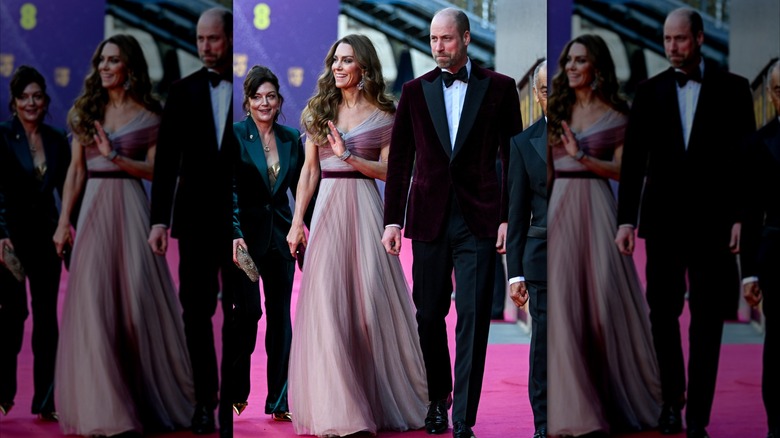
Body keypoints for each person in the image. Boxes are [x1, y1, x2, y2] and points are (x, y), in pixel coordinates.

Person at [382, 8, 522, 438]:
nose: (438, 47)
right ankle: (437, 399)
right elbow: (401, 159)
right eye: (432, 40)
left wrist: (507, 219)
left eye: (446, 39)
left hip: (479, 218)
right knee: (428, 316)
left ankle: (463, 415)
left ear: (465, 38)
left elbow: (512, 160)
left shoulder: (500, 88)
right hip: (427, 218)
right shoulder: (413, 90)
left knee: (474, 317)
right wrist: (392, 221)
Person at [615, 8, 756, 438]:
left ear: (698, 38)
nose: (672, 47)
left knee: (708, 321)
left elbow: (745, 164)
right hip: (662, 224)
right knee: (663, 314)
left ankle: (698, 416)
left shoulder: (734, 90)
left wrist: (740, 219)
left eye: (680, 39)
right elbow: (635, 160)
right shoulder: (649, 91)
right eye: (666, 39)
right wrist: (625, 220)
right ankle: (671, 403)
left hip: (714, 224)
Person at [51, 34, 195, 436]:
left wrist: (116, 157)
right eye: (101, 61)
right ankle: (104, 409)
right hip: (94, 208)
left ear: (129, 67)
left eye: (113, 60)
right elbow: (76, 172)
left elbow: (159, 172)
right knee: (94, 306)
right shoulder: (85, 111)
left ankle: (143, 398)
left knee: (134, 306)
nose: (105, 67)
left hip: (132, 209)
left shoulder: (151, 115)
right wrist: (64, 221)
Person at [285, 33, 428, 437]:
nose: (338, 67)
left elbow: (393, 172)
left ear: (363, 66)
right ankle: (340, 412)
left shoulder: (386, 116)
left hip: (365, 209)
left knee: (368, 309)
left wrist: (350, 156)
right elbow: (310, 171)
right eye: (335, 60)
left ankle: (381, 398)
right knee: (328, 309)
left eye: (347, 60)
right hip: (327, 210)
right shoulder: (319, 110)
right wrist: (298, 221)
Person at [546, 33, 662, 437]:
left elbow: (628, 172)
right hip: (558, 208)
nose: (572, 68)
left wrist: (583, 158)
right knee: (564, 310)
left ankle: (614, 399)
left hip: (596, 208)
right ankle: (573, 412)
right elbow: (541, 172)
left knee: (601, 306)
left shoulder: (617, 115)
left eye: (580, 60)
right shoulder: (555, 111)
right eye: (569, 61)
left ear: (597, 67)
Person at [148, 7, 235, 437]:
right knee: (195, 313)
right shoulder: (182, 92)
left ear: (231, 39)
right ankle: (205, 401)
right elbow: (166, 163)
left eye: (213, 39)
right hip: (196, 222)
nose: (205, 46)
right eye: (200, 39)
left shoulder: (252, 89)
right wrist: (158, 221)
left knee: (243, 313)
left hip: (240, 223)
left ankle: (235, 400)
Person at [229, 65, 303, 422]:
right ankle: (236, 392)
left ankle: (279, 400)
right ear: (247, 101)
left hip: (281, 241)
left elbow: (304, 192)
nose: (264, 102)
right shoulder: (235, 136)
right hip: (243, 242)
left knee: (279, 318)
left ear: (279, 100)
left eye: (270, 96)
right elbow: (226, 191)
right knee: (246, 314)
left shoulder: (290, 138)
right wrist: (232, 232)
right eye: (257, 97)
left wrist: (305, 226)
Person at [0, 65, 70, 422]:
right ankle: (3, 392)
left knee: (46, 320)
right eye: (24, 97)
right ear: (13, 103)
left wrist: (67, 225)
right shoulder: (1, 136)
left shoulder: (58, 139)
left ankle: (46, 399)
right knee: (12, 316)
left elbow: (68, 192)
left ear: (45, 101)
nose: (31, 102)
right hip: (9, 243)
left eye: (37, 96)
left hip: (45, 240)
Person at [506, 60, 548, 438]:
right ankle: (544, 424)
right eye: (545, 90)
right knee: (545, 345)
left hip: (589, 256)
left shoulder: (592, 134)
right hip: (542, 262)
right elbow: (517, 213)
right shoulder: (523, 143)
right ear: (536, 95)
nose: (553, 96)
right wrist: (515, 273)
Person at [741, 59, 780, 438]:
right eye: (779, 90)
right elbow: (751, 213)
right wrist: (749, 272)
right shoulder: (759, 142)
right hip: (777, 255)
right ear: (770, 94)